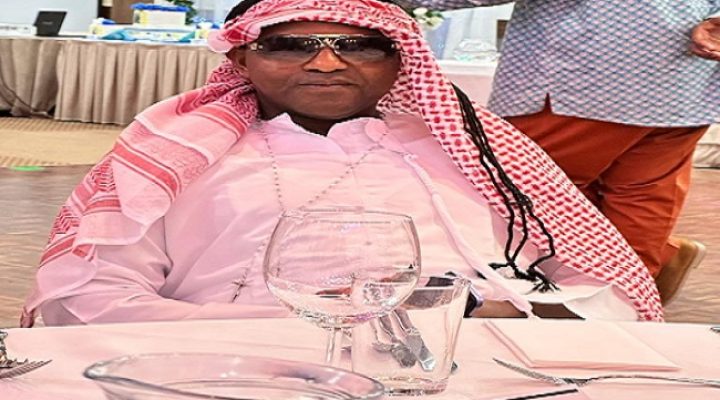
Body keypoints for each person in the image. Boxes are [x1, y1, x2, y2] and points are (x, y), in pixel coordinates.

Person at [21, 0, 663, 328]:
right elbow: (83, 300)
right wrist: (315, 333)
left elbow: (605, 292)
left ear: (400, 59)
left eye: (358, 46)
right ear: (241, 58)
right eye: (291, 45)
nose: (326, 63)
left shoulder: (474, 148)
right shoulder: (172, 151)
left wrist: (512, 315)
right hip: (223, 368)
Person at [397, 0, 720, 303]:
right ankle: (625, 304)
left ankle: (561, 304)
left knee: (516, 198)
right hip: (682, 84)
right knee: (640, 199)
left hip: (587, 77)